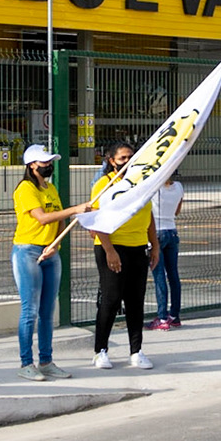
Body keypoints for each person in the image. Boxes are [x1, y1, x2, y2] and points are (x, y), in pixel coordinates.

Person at [12, 143, 88, 379]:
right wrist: (75, 209)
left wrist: (56, 244)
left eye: (50, 161)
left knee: (47, 311)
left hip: (50, 253)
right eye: (44, 162)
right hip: (28, 251)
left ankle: (46, 361)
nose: (49, 165)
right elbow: (43, 218)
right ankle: (26, 364)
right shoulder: (25, 189)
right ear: (32, 165)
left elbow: (59, 220)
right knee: (30, 311)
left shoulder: (50, 188)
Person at [85, 143, 158, 370]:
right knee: (111, 299)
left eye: (131, 157)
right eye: (123, 157)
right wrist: (109, 250)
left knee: (136, 301)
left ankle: (136, 351)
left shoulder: (141, 184)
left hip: (138, 247)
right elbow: (96, 221)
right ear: (111, 160)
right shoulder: (104, 185)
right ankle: (101, 351)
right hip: (112, 246)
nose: (127, 161)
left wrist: (154, 245)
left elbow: (149, 217)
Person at [149, 166, 186, 332]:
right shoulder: (178, 187)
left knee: (159, 275)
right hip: (172, 230)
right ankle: (175, 315)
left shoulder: (154, 188)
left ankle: (162, 316)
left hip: (156, 231)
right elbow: (177, 211)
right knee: (173, 274)